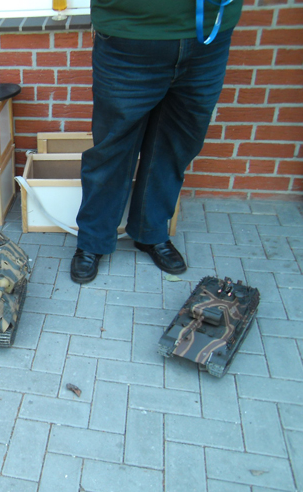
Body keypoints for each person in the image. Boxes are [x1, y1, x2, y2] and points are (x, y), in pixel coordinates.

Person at [71, 0, 243, 284]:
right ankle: (94, 239)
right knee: (111, 149)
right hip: (131, 32)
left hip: (209, 37)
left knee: (176, 145)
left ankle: (150, 232)